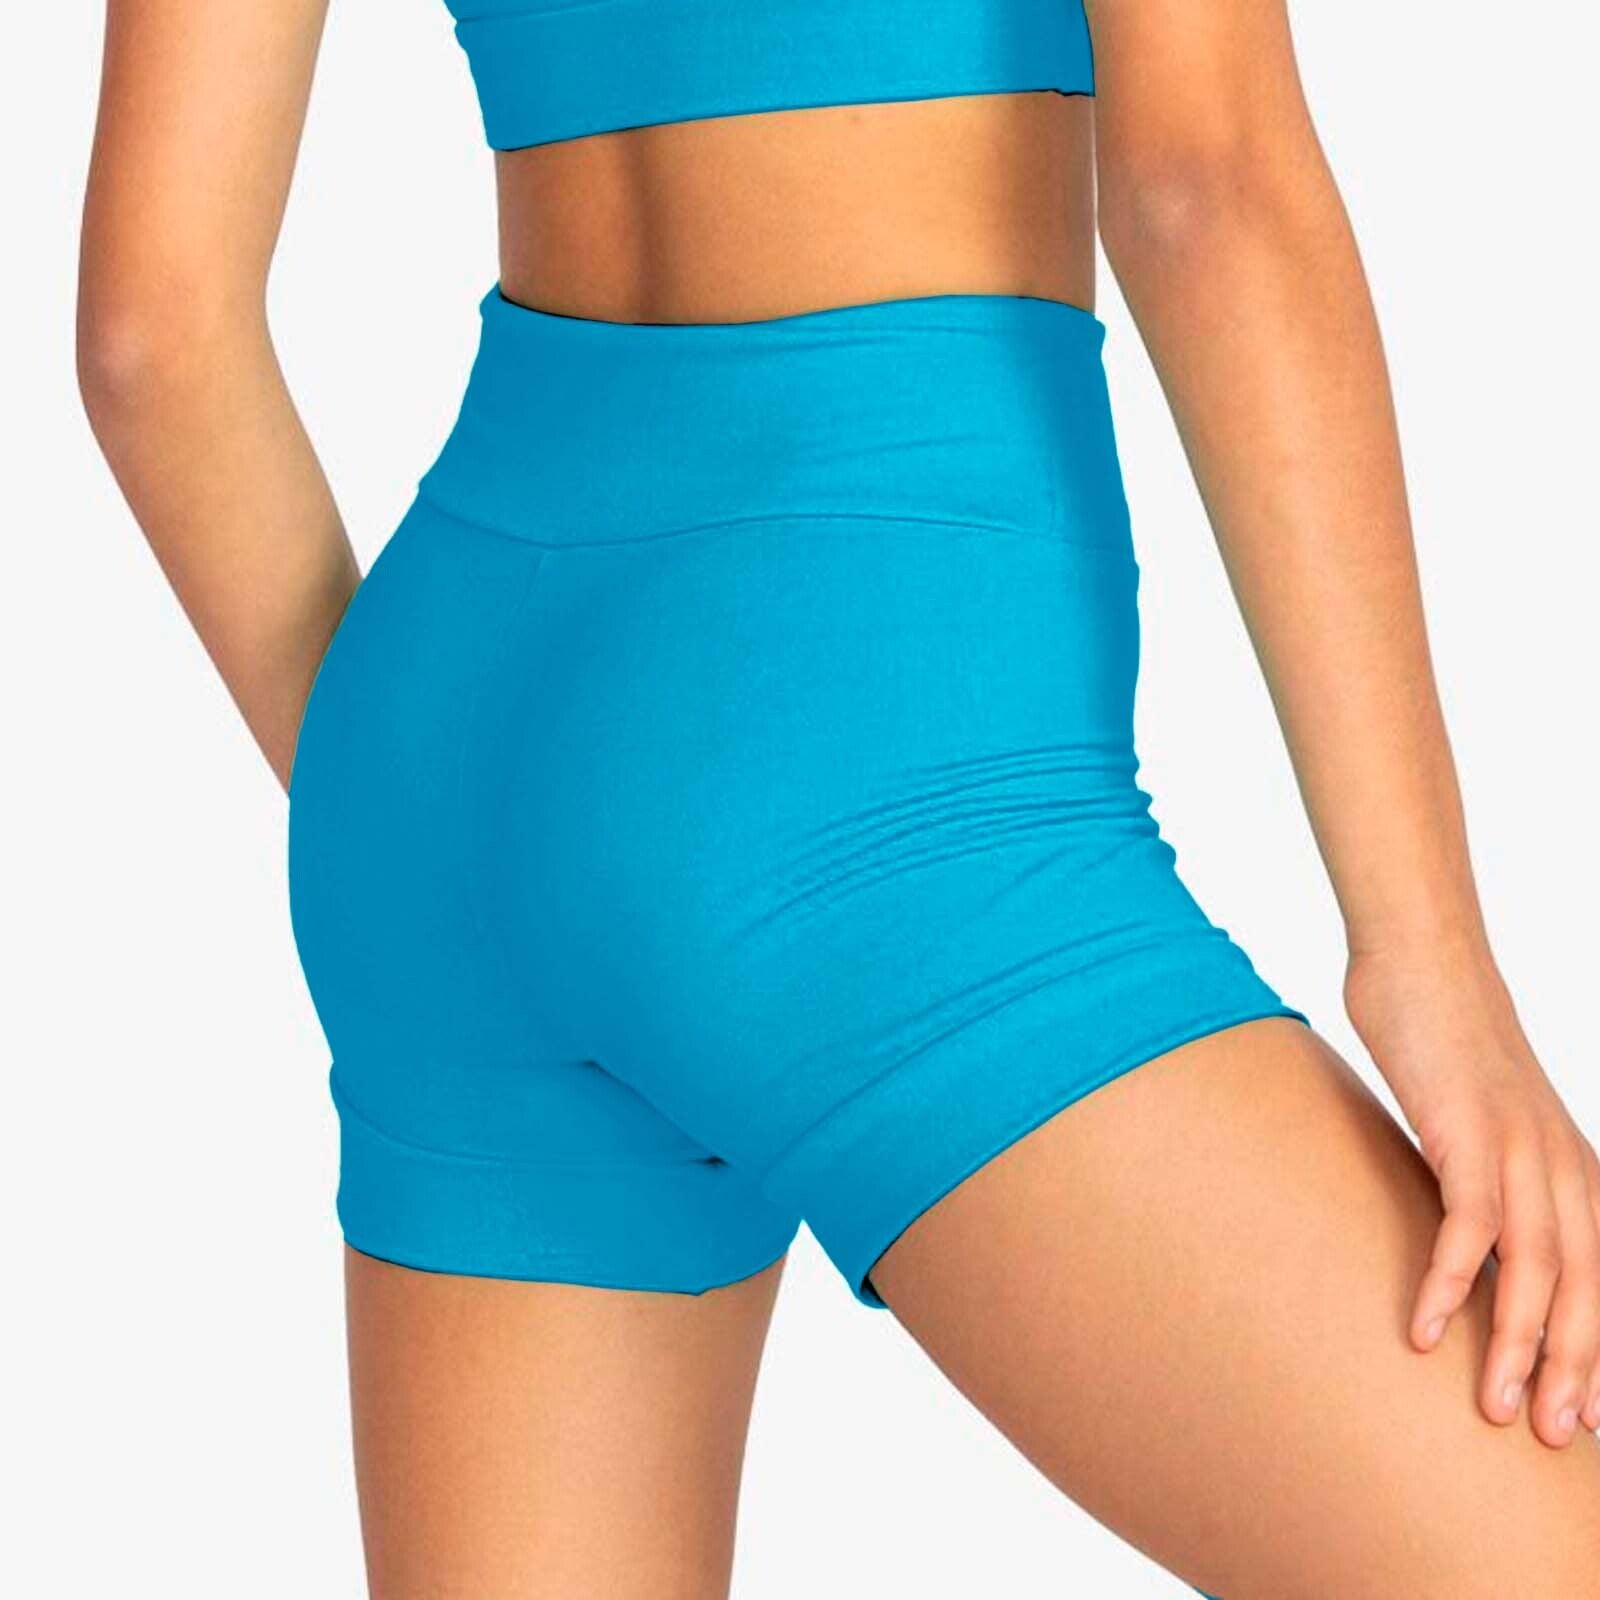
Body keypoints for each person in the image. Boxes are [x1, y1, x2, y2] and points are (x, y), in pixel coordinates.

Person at [77, 0, 1600, 1594]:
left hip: (447, 733)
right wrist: (1430, 961)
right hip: (874, 729)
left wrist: (464, 847)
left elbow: (151, 337)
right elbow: (1205, 182)